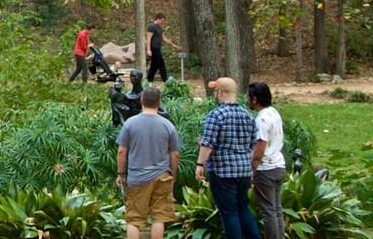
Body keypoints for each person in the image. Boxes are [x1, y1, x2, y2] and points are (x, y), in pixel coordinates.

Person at [196, 77, 261, 239]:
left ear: (219, 93)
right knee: (242, 209)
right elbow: (253, 144)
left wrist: (200, 164)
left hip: (223, 172)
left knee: (229, 213)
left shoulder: (216, 115)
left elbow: (208, 144)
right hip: (244, 171)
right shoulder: (247, 114)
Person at [116, 87, 180, 239]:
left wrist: (121, 174)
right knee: (159, 218)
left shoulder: (130, 124)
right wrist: (173, 176)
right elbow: (175, 154)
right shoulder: (168, 125)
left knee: (134, 219)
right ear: (159, 103)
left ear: (141, 101)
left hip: (137, 178)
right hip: (162, 176)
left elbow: (121, 152)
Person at [249, 82, 287, 239]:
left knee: (268, 211)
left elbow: (260, 148)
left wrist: (252, 169)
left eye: (248, 97)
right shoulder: (274, 113)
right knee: (276, 209)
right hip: (279, 165)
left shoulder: (261, 119)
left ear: (254, 99)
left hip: (266, 169)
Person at [146, 15, 181, 83]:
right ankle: (166, 80)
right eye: (162, 20)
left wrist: (172, 45)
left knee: (154, 66)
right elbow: (148, 39)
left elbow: (163, 38)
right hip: (154, 48)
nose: (163, 22)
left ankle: (149, 81)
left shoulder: (159, 28)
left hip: (158, 48)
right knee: (161, 64)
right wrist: (148, 50)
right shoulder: (151, 26)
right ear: (158, 19)